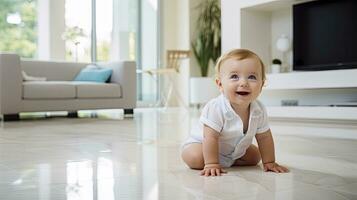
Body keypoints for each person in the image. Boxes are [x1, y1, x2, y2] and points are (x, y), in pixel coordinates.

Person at [181, 49, 289, 176]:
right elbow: (210, 137)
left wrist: (270, 161)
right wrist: (211, 163)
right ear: (220, 84)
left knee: (255, 156)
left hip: (232, 150)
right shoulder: (216, 107)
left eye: (252, 77)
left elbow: (264, 137)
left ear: (261, 85)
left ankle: (229, 160)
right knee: (196, 158)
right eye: (234, 77)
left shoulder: (259, 110)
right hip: (201, 144)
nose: (243, 83)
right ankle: (217, 160)